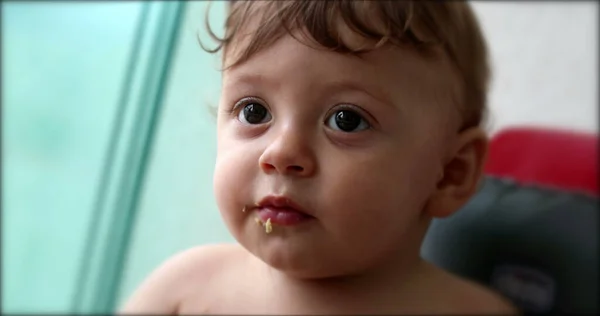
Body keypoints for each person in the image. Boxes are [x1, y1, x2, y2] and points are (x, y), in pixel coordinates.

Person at [121, 0, 519, 314]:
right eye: (254, 112)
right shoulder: (184, 292)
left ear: (450, 172)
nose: (280, 153)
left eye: (346, 120)